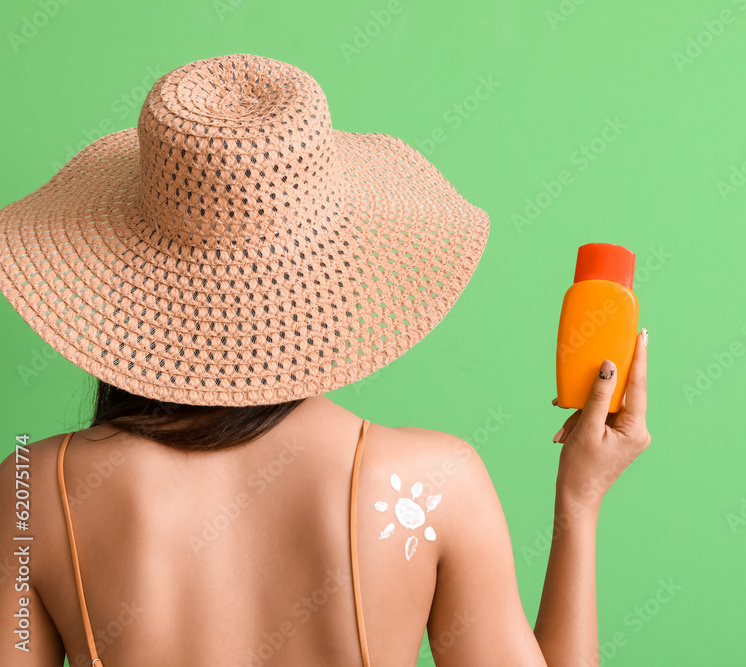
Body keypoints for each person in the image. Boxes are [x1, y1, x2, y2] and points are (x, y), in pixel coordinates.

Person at [0, 53, 651, 666]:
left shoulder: (32, 490)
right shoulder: (435, 483)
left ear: (121, 267)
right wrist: (580, 497)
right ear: (326, 271)